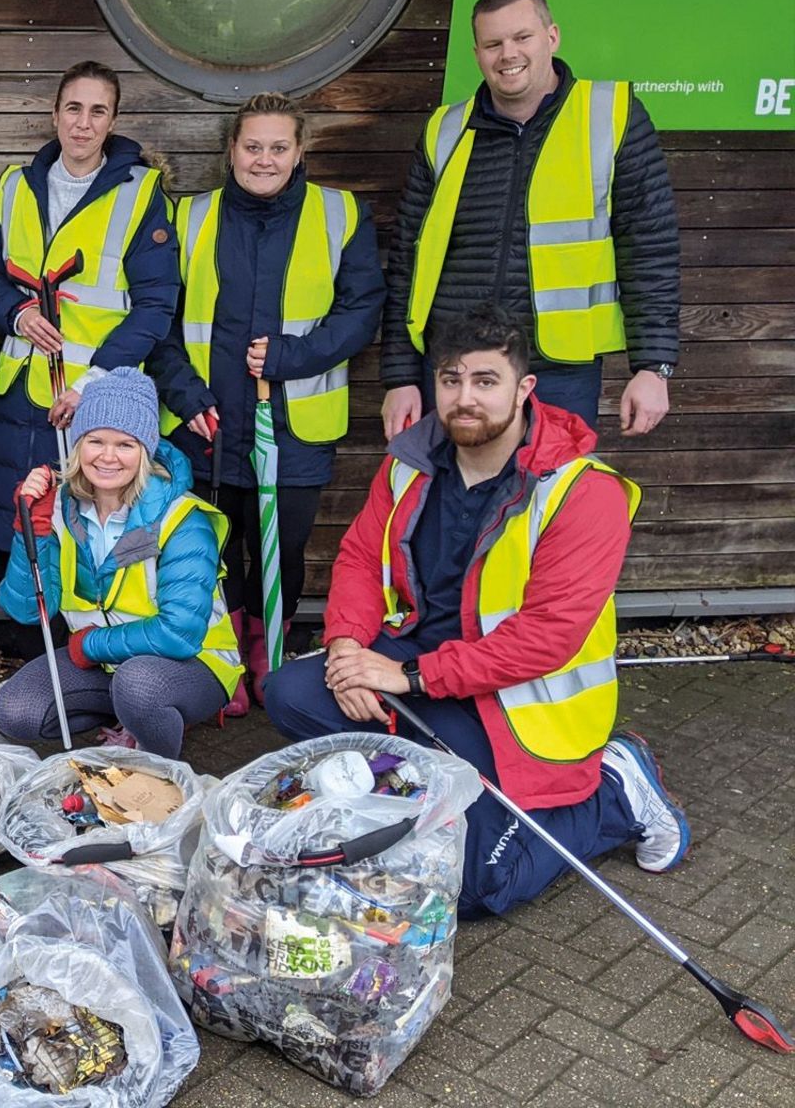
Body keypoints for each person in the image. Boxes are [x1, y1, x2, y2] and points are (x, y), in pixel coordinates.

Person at [266, 304, 687, 917]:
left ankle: (616, 792)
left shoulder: (582, 491)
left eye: (485, 381)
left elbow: (548, 638)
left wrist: (404, 678)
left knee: (471, 891)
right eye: (451, 380)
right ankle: (415, 790)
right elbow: (360, 556)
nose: (465, 398)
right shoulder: (410, 461)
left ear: (523, 389)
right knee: (290, 693)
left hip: (516, 697)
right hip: (421, 661)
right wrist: (347, 649)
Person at [151, 93, 385, 715]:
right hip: (207, 423)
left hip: (295, 424)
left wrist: (292, 358)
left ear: (300, 150)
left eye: (278, 147)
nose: (264, 159)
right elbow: (159, 320)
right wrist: (184, 392)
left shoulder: (340, 213)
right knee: (211, 550)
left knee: (282, 547)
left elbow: (362, 309)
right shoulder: (189, 217)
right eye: (252, 146)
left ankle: (267, 653)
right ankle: (221, 656)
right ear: (231, 150)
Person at [379, 0, 680, 441]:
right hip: (454, 368)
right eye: (493, 44)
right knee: (455, 509)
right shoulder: (444, 130)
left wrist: (653, 367)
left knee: (550, 507)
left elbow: (650, 248)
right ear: (477, 53)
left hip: (558, 371)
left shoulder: (611, 114)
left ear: (552, 37)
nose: (508, 54)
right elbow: (407, 261)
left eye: (522, 38)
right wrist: (400, 375)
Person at [0, 61, 180, 553]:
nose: (83, 124)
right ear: (54, 113)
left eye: (98, 112)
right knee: (13, 526)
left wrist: (93, 384)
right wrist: (17, 314)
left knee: (77, 536)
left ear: (113, 120)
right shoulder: (16, 185)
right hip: (19, 386)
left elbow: (155, 306)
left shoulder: (139, 193)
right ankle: (25, 632)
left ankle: (78, 634)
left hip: (93, 399)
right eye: (74, 109)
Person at [0, 369, 243, 753]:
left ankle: (157, 772)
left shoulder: (181, 519)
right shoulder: (61, 508)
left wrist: (91, 645)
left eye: (125, 444)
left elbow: (180, 633)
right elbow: (26, 610)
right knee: (15, 709)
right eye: (96, 441)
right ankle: (129, 716)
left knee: (139, 687)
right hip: (111, 666)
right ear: (78, 445)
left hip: (192, 664)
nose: (108, 457)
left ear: (146, 450)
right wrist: (33, 529)